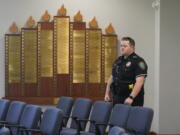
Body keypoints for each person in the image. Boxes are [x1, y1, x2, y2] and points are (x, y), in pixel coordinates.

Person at [104, 37, 148, 106]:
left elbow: (140, 82)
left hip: (131, 98)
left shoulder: (138, 61)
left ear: (132, 47)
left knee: (132, 116)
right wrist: (107, 93)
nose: (122, 48)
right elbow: (112, 77)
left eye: (125, 46)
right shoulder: (118, 61)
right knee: (117, 116)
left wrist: (131, 97)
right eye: (121, 46)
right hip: (117, 97)